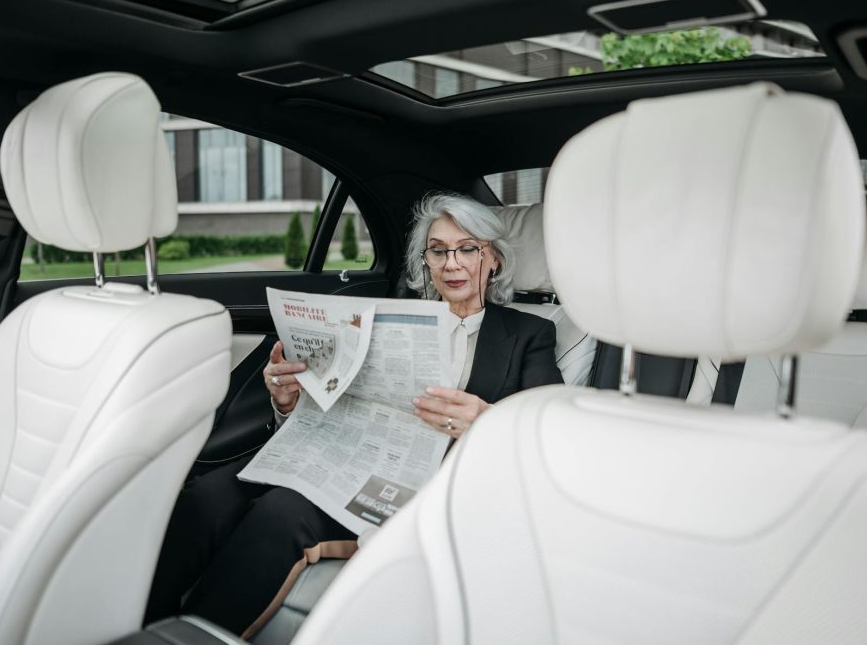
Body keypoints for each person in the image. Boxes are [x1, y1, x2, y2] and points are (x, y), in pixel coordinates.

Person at [145, 192, 563, 635]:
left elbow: (548, 431)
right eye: (438, 250)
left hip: (411, 481)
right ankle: (137, 624)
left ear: (493, 259)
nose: (451, 264)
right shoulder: (383, 318)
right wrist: (286, 403)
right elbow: (341, 401)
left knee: (280, 513)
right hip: (332, 452)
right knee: (206, 495)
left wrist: (485, 420)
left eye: (467, 249)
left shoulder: (529, 333)